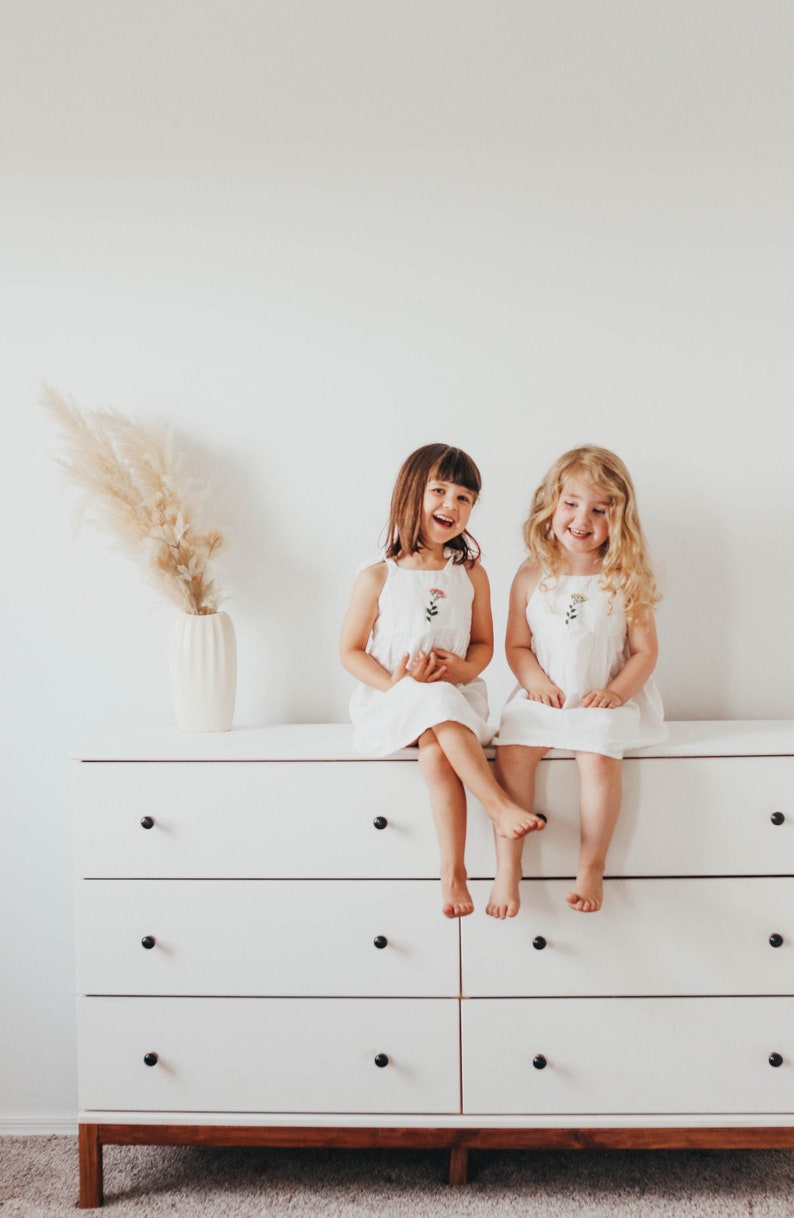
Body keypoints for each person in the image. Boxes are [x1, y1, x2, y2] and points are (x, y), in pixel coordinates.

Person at [340, 443, 545, 919]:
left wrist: (462, 671)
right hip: (392, 699)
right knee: (428, 700)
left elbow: (483, 645)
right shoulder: (378, 576)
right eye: (439, 491)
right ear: (411, 494)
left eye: (464, 498)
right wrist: (399, 684)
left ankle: (452, 872)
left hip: (453, 698)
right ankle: (497, 805)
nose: (451, 505)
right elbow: (349, 651)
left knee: (435, 753)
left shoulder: (470, 574)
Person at [489, 444, 666, 919]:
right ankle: (508, 868)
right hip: (544, 693)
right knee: (513, 745)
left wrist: (616, 693)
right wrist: (534, 682)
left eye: (599, 509)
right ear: (551, 504)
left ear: (618, 519)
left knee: (598, 748)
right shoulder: (531, 576)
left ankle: (591, 864)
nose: (581, 518)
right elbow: (517, 645)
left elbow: (645, 652)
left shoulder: (623, 577)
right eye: (571, 503)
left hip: (602, 698)